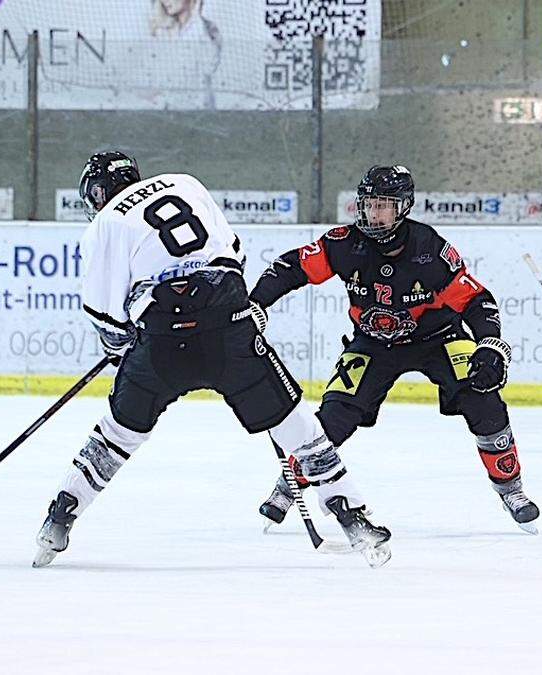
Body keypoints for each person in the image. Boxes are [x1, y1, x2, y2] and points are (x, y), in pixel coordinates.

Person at [32, 151, 391, 568]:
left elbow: (104, 315)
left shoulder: (106, 223)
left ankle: (61, 514)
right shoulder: (185, 182)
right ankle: (351, 514)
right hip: (227, 322)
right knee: (296, 425)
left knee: (117, 435)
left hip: (163, 338)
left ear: (97, 192)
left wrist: (123, 346)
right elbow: (233, 256)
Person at [248, 165, 540, 533]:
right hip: (373, 344)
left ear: (403, 207)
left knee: (482, 396)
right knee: (335, 416)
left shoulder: (428, 248)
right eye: (368, 204)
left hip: (439, 338)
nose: (373, 213)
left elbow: (476, 299)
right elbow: (289, 268)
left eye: (383, 205)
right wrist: (255, 304)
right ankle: (288, 486)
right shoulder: (343, 243)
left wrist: (490, 344)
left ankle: (511, 489)